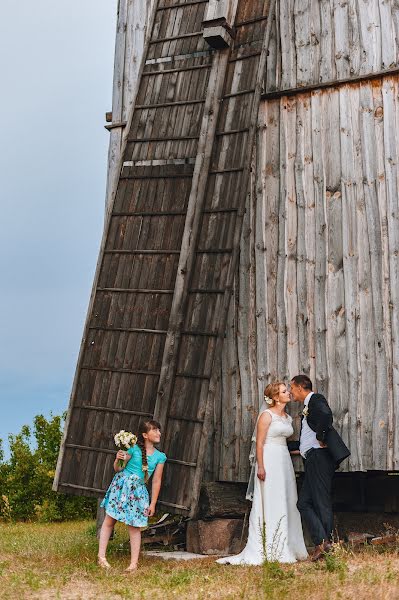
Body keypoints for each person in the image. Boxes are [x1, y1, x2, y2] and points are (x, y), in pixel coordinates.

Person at [217, 382, 308, 565]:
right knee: (271, 499)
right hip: (269, 459)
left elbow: (284, 441)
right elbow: (259, 443)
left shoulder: (287, 417)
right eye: (284, 391)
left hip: (284, 460)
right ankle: (270, 546)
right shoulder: (266, 416)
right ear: (275, 397)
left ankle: (288, 544)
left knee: (288, 499)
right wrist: (261, 466)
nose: (288, 393)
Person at [289, 374, 350, 562]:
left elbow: (325, 415)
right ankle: (322, 542)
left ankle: (328, 543)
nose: (291, 392)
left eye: (292, 388)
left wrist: (322, 438)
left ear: (300, 387)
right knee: (303, 504)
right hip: (313, 458)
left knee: (321, 501)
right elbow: (309, 434)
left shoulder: (316, 399)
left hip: (320, 458)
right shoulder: (308, 406)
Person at [97, 419, 167, 572]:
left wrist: (153, 503)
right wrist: (118, 458)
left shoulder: (160, 457)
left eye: (159, 430)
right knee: (110, 520)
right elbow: (118, 468)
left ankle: (133, 564)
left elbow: (156, 481)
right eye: (155, 430)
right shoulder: (133, 449)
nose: (159, 433)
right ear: (145, 435)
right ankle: (101, 558)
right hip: (121, 487)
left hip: (138, 492)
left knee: (134, 527)